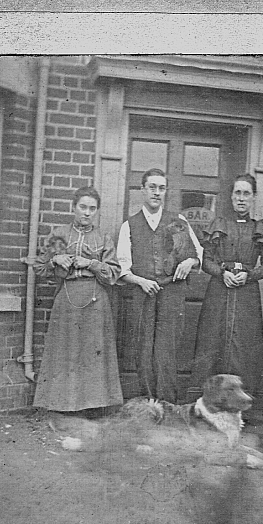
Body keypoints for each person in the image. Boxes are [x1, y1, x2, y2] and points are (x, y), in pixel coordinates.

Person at [188, 173, 263, 423]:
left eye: (246, 193)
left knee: (245, 349)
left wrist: (249, 276)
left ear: (253, 198)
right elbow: (206, 260)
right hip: (219, 293)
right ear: (231, 197)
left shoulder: (259, 228)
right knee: (213, 344)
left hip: (247, 296)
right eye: (237, 193)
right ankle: (206, 409)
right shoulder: (219, 225)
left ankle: (248, 414)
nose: (241, 198)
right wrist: (222, 273)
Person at [32, 186, 123, 417]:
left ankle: (93, 406)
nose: (87, 213)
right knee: (66, 350)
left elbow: (113, 273)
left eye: (92, 209)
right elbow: (39, 268)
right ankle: (64, 405)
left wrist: (90, 263)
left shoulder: (103, 238)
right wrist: (55, 260)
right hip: (67, 298)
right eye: (83, 207)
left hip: (96, 301)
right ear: (74, 208)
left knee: (93, 351)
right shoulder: (59, 234)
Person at [116, 168, 202, 403]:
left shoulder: (179, 221)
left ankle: (168, 406)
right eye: (152, 187)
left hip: (172, 293)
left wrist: (189, 261)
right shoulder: (130, 225)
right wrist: (140, 281)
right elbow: (122, 268)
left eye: (161, 188)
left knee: (167, 351)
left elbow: (198, 253)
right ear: (143, 190)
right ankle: (149, 405)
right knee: (144, 352)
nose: (156, 193)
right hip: (143, 293)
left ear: (165, 192)